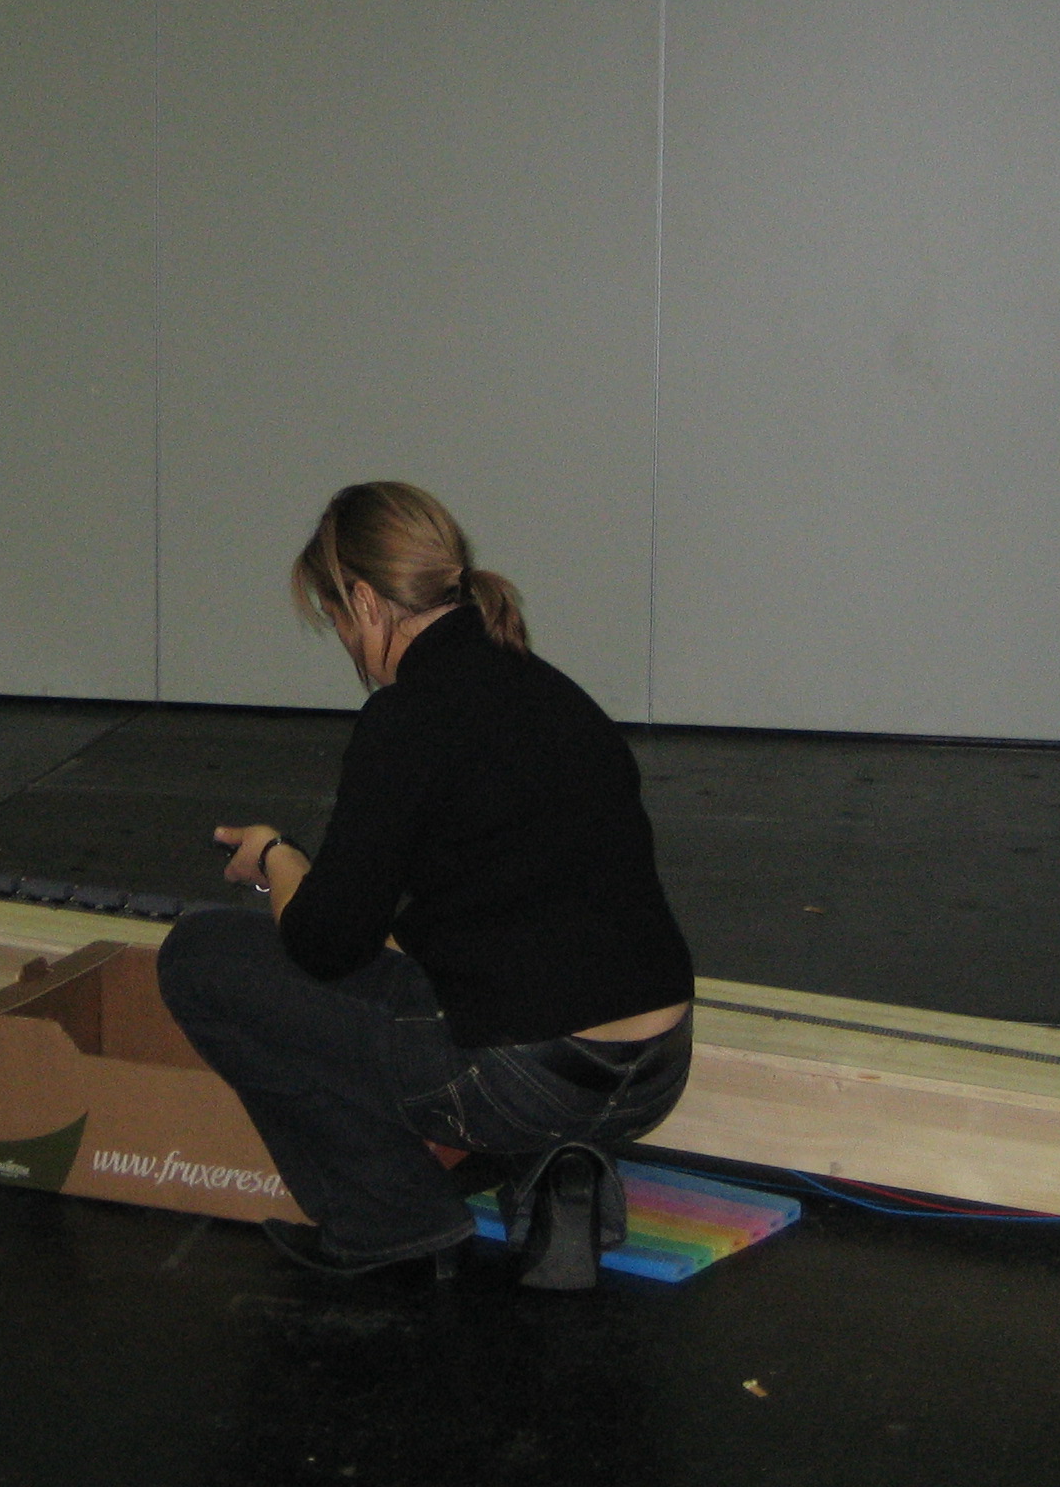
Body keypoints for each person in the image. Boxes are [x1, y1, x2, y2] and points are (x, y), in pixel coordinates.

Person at [157, 483, 696, 1288]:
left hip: (529, 1079)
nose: (346, 641)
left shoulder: (408, 720)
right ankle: (548, 1163)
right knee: (458, 984)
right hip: (655, 1071)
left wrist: (275, 856)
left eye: (338, 620)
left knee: (201, 957)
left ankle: (392, 1218)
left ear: (365, 602)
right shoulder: (553, 692)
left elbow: (324, 943)